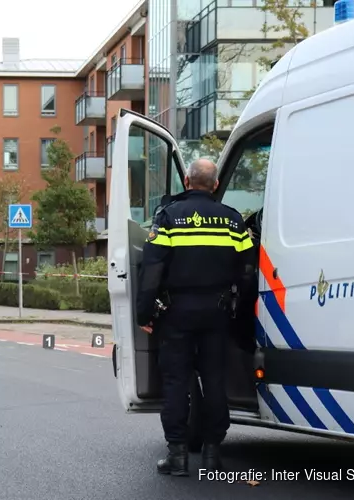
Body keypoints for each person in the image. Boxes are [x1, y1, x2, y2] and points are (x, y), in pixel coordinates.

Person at [136, 159, 254, 476]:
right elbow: (247, 272)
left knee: (176, 383)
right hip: (217, 313)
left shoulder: (168, 217)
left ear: (187, 180)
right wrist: (240, 313)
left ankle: (177, 457)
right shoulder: (232, 221)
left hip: (176, 314)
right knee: (214, 380)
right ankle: (213, 455)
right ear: (215, 185)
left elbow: (152, 269)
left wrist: (144, 312)